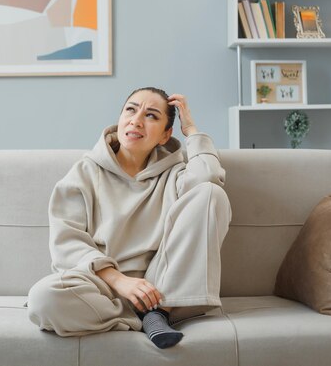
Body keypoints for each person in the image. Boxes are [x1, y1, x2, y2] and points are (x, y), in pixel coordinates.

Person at [27, 87, 231, 349]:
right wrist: (120, 281)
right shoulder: (84, 172)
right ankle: (145, 318)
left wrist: (191, 130)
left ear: (165, 135)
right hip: (101, 285)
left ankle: (158, 311)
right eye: (131, 110)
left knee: (211, 194)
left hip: (161, 287)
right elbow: (66, 242)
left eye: (151, 116)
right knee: (43, 298)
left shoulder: (175, 173)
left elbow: (210, 179)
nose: (136, 120)